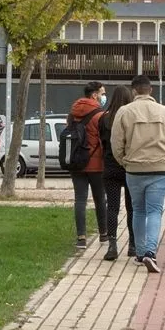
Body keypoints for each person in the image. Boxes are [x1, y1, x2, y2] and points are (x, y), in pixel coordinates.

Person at [111, 75, 165, 274]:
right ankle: (151, 252)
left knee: (138, 210)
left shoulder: (124, 112)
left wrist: (124, 161)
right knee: (154, 211)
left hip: (134, 168)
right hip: (160, 167)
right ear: (150, 90)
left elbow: (116, 143)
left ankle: (140, 252)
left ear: (134, 91)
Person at [68, 81, 108, 250]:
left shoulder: (73, 112)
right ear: (94, 95)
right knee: (100, 199)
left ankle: (81, 238)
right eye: (102, 93)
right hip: (96, 163)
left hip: (76, 162)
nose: (104, 96)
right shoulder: (100, 115)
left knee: (80, 200)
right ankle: (104, 234)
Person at [98, 85, 136, 260]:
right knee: (132, 208)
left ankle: (112, 244)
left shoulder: (104, 119)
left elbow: (102, 143)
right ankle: (133, 245)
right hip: (129, 167)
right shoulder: (132, 118)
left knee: (112, 207)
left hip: (111, 166)